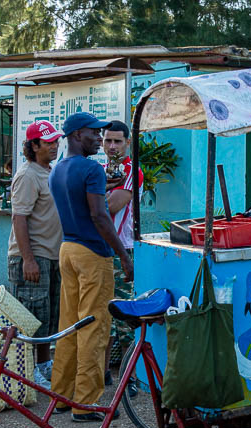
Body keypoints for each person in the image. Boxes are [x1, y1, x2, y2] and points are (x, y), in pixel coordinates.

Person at [49, 112, 133, 422]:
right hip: (92, 254)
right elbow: (100, 216)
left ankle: (62, 396)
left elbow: (80, 203)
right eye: (94, 133)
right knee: (94, 329)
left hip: (68, 249)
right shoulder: (90, 170)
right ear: (75, 135)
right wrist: (123, 254)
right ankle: (85, 403)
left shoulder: (58, 169)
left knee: (69, 326)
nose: (100, 138)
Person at [8, 120, 63, 388]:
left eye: (56, 141)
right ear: (34, 145)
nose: (54, 145)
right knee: (31, 316)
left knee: (47, 317)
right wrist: (28, 259)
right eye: (48, 142)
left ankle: (42, 364)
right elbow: (19, 218)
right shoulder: (28, 174)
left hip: (51, 255)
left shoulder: (48, 171)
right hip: (32, 256)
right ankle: (26, 370)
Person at [101, 120, 143, 386]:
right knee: (100, 314)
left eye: (118, 141)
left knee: (125, 317)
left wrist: (92, 199)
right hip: (99, 249)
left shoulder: (131, 170)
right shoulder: (101, 170)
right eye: (108, 141)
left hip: (122, 249)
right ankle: (103, 373)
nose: (112, 146)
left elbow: (109, 207)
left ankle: (132, 377)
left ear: (128, 142)